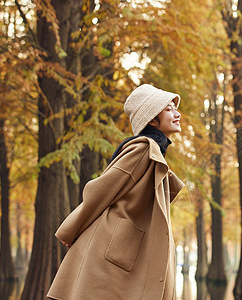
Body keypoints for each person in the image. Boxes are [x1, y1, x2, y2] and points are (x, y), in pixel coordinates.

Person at [47, 84, 185, 300]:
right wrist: (70, 230)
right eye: (169, 109)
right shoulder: (142, 150)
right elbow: (100, 191)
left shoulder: (153, 153)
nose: (177, 114)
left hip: (126, 250)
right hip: (112, 250)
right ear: (151, 119)